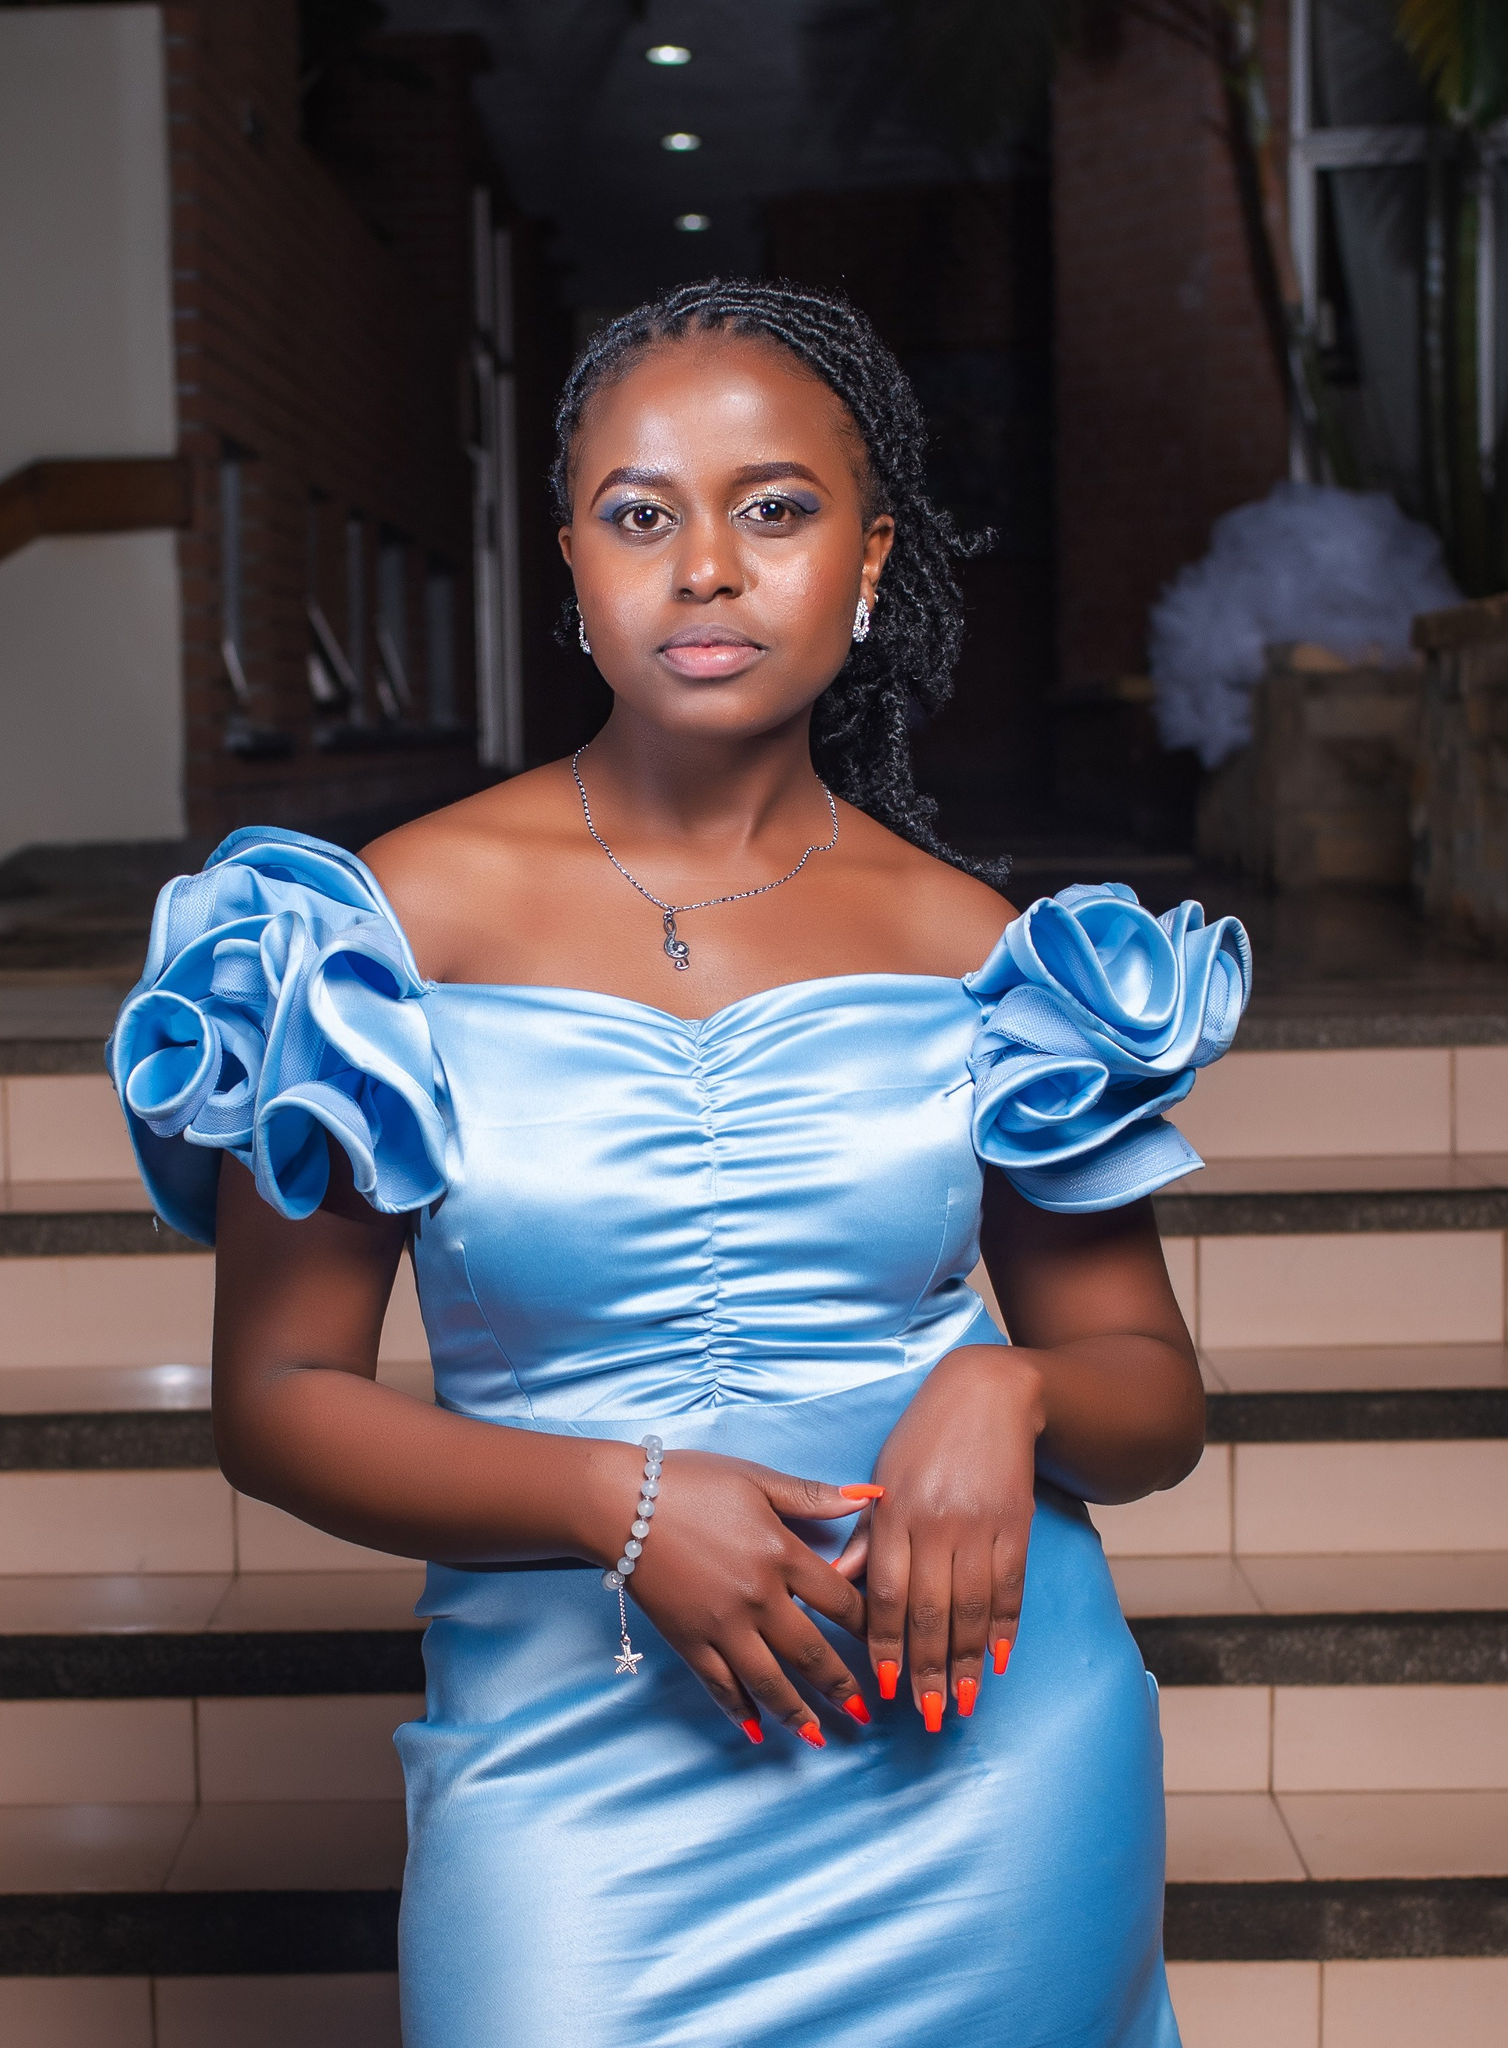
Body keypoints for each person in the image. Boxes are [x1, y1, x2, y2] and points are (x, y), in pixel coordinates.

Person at [112, 279, 1250, 2045]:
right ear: (572, 566)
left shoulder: (993, 955)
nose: (706, 567)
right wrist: (615, 1504)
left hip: (984, 1768)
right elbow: (274, 1398)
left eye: (774, 510)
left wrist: (1010, 1392)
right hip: (576, 1768)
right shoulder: (362, 937)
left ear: (870, 563)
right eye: (643, 515)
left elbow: (1153, 1403)